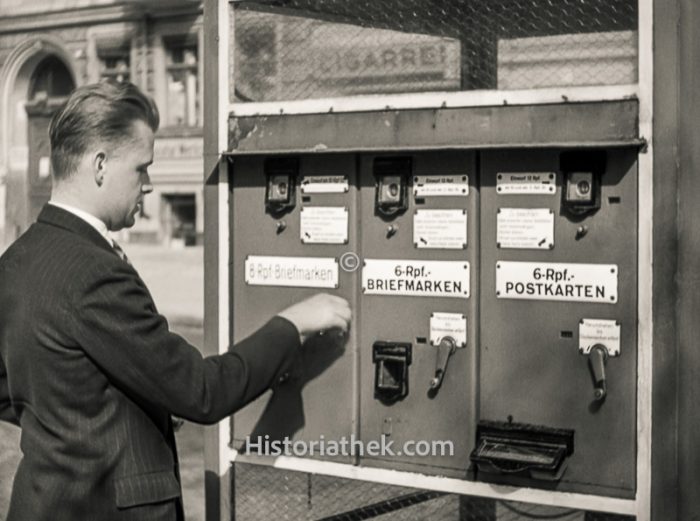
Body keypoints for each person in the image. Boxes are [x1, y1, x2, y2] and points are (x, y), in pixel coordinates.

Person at [0, 80, 351, 521]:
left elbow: (15, 385)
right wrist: (293, 323)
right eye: (142, 168)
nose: (148, 185)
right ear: (100, 165)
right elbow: (201, 392)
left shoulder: (17, 259)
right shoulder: (95, 272)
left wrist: (75, 422)